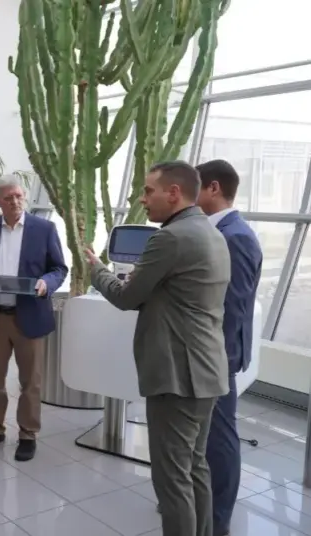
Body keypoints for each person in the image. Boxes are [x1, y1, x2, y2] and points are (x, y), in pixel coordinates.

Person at [85, 161, 231, 536]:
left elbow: (127, 297)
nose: (142, 199)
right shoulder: (212, 233)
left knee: (172, 480)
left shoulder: (170, 238)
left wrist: (97, 270)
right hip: (207, 371)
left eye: (149, 191)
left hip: (177, 377)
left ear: (174, 193)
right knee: (195, 467)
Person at [0, 174, 68, 462]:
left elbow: (59, 268)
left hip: (30, 316)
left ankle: (28, 434)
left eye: (19, 196)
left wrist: (47, 283)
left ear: (25, 197)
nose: (15, 201)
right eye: (8, 197)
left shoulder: (44, 229)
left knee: (30, 382)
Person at [196, 159, 263, 536]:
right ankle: (199, 507)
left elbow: (232, 309)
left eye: (195, 187)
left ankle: (217, 521)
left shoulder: (234, 236)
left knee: (220, 440)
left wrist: (214, 360)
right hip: (205, 355)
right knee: (204, 437)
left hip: (216, 357)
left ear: (214, 188)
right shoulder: (216, 231)